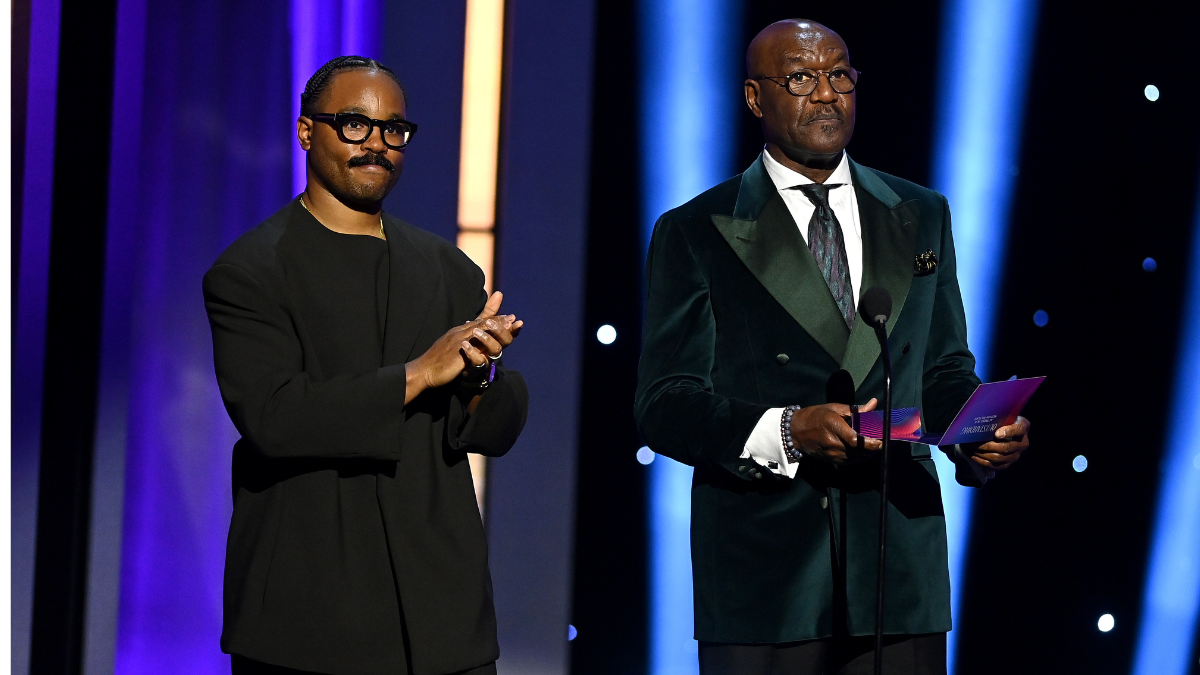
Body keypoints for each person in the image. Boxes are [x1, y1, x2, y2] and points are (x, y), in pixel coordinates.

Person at [634, 20, 1031, 675]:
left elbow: (942, 368)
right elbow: (665, 403)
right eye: (800, 78)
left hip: (896, 568)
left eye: (840, 75)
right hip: (767, 577)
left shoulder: (920, 211)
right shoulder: (696, 231)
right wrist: (788, 429)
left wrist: (977, 430)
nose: (826, 94)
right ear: (755, 98)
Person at [204, 56, 528, 675]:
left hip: (440, 615)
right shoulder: (251, 271)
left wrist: (481, 374)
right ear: (306, 131)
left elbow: (493, 428)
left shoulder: (449, 269)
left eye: (393, 131)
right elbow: (275, 417)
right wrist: (420, 374)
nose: (376, 145)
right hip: (311, 613)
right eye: (354, 125)